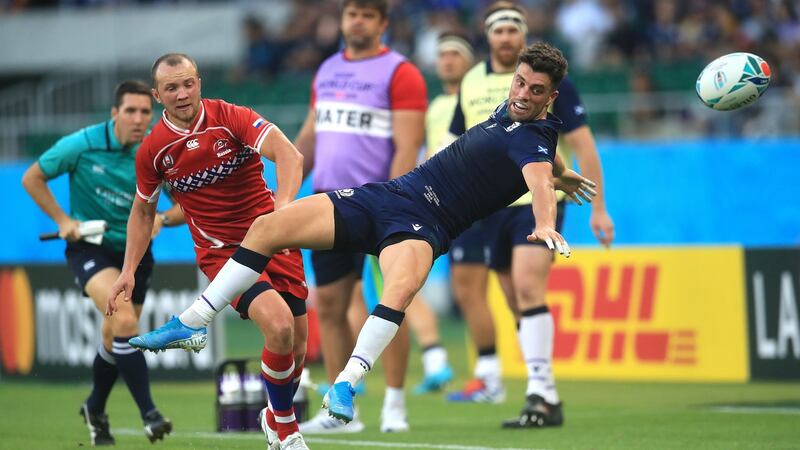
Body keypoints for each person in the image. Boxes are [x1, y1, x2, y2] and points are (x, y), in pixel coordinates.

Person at [118, 42, 597, 430]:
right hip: (387, 196)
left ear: (551, 97)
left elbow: (535, 176)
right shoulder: (520, 117)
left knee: (400, 291)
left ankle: (346, 383)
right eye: (520, 82)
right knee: (266, 226)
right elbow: (539, 157)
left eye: (536, 90)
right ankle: (194, 321)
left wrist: (545, 219)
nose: (523, 93)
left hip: (424, 227)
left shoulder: (535, 140)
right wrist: (564, 172)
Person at [105, 54, 310, 450]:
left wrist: (283, 212)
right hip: (223, 254)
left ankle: (272, 415)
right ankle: (287, 430)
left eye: (188, 84)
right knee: (279, 326)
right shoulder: (153, 151)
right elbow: (143, 210)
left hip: (273, 237)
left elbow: (290, 156)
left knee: (297, 347)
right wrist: (128, 269)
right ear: (157, 94)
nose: (182, 94)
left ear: (199, 82)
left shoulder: (231, 116)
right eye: (171, 88)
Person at [446, 2, 615, 429]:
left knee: (527, 286)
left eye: (512, 28)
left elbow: (584, 145)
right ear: (487, 37)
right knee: (515, 301)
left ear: (521, 35)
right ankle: (549, 394)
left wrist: (598, 207)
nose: (505, 36)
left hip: (538, 202)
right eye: (497, 29)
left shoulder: (554, 84)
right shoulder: (471, 82)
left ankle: (538, 396)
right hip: (491, 207)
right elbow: (466, 143)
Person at [291, 0, 427, 434]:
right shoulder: (327, 69)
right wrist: (286, 192)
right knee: (329, 305)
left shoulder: (401, 72)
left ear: (383, 24)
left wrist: (398, 201)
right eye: (353, 13)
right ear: (343, 20)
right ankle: (337, 412)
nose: (358, 21)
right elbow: (311, 135)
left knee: (389, 302)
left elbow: (408, 146)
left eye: (368, 15)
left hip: (381, 204)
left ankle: (396, 404)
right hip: (330, 205)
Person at [21, 80, 175, 446]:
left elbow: (186, 203)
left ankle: (95, 407)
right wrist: (63, 221)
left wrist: (163, 218)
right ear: (114, 114)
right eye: (131, 111)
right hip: (91, 250)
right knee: (125, 320)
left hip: (136, 254)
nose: (139, 119)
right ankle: (150, 414)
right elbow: (33, 177)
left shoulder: (157, 149)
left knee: (113, 336)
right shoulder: (82, 144)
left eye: (145, 112)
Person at [405, 30, 476, 395]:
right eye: (442, 54)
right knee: (407, 281)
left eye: (455, 54)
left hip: (469, 208)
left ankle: (484, 371)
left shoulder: (479, 101)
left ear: (469, 62)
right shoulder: (434, 108)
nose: (447, 60)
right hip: (435, 208)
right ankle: (437, 363)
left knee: (473, 292)